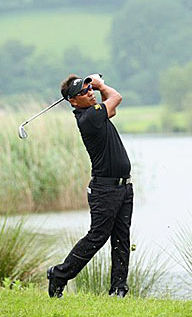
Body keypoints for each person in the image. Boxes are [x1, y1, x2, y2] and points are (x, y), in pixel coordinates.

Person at [47, 73, 134, 298]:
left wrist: (95, 86)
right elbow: (116, 98)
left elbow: (111, 108)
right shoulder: (88, 118)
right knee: (97, 236)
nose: (90, 93)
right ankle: (60, 274)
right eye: (83, 92)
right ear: (73, 101)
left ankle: (118, 289)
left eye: (90, 89)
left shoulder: (97, 114)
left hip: (123, 187)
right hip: (105, 190)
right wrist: (100, 83)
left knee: (121, 238)